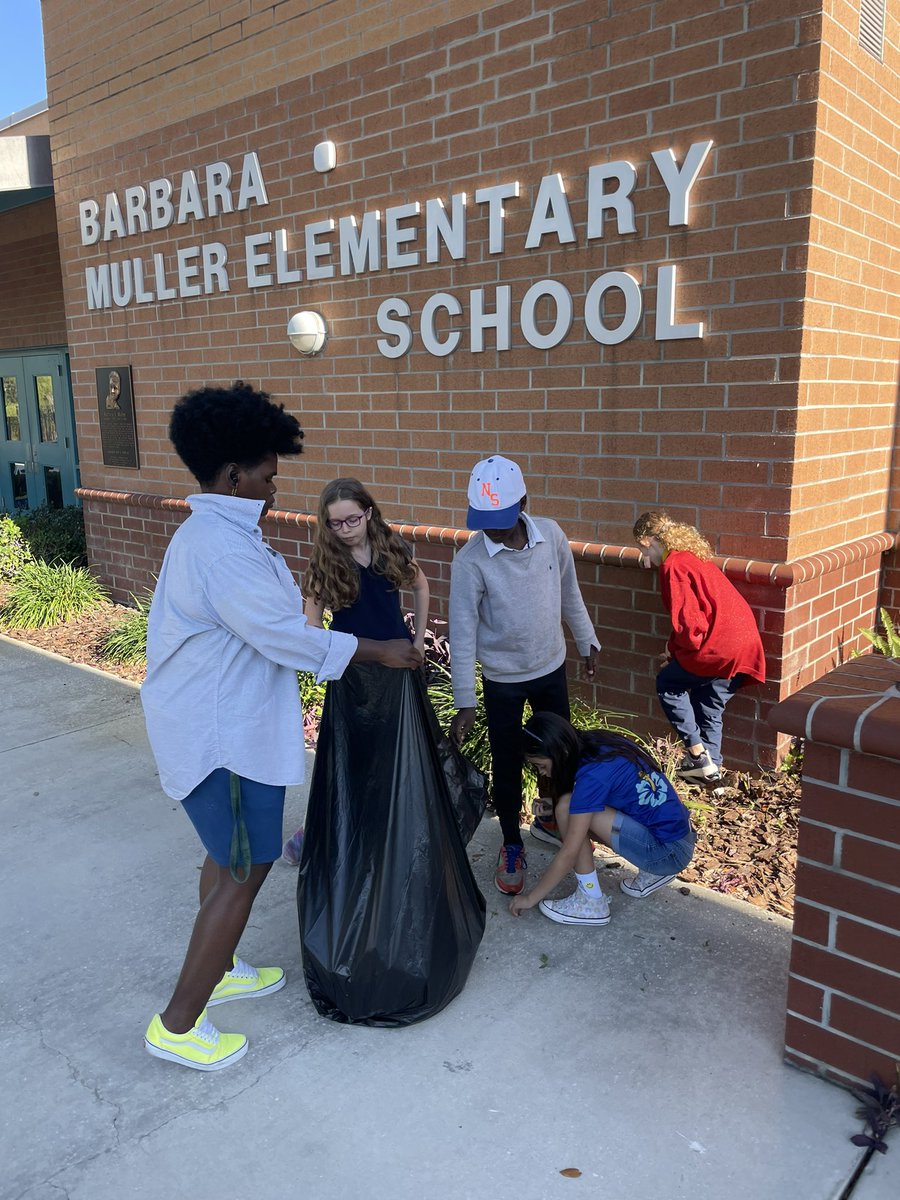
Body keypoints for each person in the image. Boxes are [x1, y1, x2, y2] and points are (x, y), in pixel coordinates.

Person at [140, 385, 420, 1071]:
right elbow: (279, 636)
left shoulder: (219, 534)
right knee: (246, 864)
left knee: (226, 852)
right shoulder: (222, 549)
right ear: (234, 475)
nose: (276, 480)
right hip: (222, 737)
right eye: (267, 470)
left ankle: (224, 966)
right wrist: (380, 651)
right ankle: (177, 1025)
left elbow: (279, 625)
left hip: (222, 725)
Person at [297, 478, 485, 1025]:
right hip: (354, 690)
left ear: (370, 513)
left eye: (353, 518)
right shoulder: (323, 566)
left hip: (399, 682)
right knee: (359, 780)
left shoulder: (390, 549)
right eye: (335, 522)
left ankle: (397, 864)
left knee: (404, 782)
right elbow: (311, 635)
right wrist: (336, 651)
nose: (345, 528)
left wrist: (420, 640)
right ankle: (357, 861)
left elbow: (423, 586)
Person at [448, 455, 601, 897]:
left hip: (550, 667)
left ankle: (555, 818)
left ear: (523, 504)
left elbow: (569, 591)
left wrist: (586, 638)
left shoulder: (550, 535)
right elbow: (462, 630)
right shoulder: (471, 561)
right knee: (507, 761)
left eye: (500, 518)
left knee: (561, 753)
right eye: (484, 520)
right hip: (503, 680)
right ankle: (512, 842)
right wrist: (465, 699)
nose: (492, 529)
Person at [509, 711, 696, 924]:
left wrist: (530, 898)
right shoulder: (598, 743)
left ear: (559, 750)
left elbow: (570, 851)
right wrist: (551, 805)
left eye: (541, 765)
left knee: (565, 809)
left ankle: (590, 901)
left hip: (668, 853)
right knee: (567, 807)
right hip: (680, 838)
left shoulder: (591, 775)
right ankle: (654, 873)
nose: (542, 772)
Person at [633, 510, 766, 785]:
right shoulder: (692, 556)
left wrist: (674, 653)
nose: (646, 561)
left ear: (648, 541)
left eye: (642, 551)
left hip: (720, 646)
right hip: (744, 643)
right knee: (708, 705)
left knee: (668, 683)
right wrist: (675, 648)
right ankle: (712, 774)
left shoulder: (674, 566)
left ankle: (697, 756)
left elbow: (691, 628)